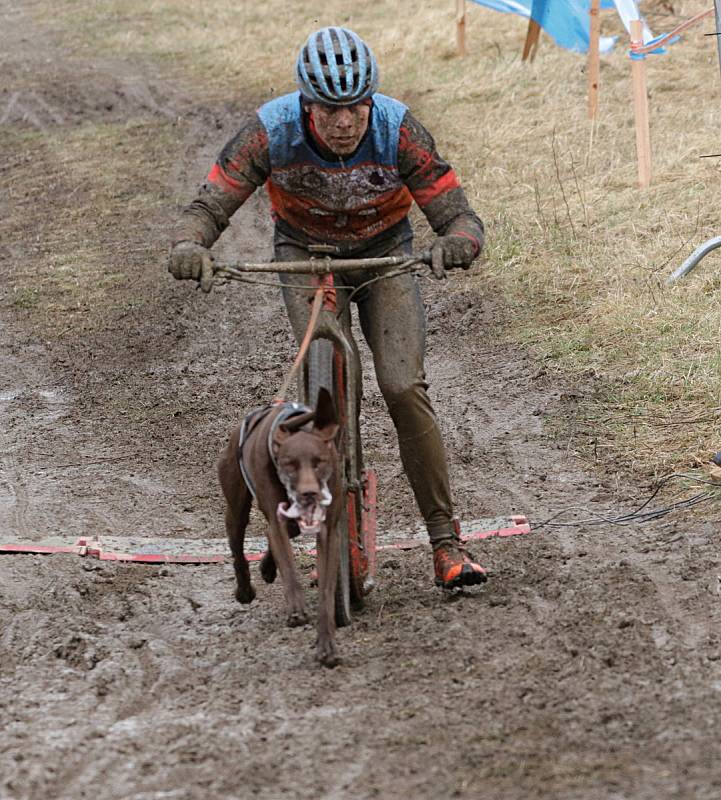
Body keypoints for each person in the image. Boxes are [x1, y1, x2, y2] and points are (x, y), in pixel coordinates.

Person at [168, 26, 487, 589]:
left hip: (385, 255)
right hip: (306, 259)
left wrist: (459, 242)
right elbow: (211, 202)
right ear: (306, 104)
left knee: (402, 386)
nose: (344, 123)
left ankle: (445, 542)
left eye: (355, 110)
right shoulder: (270, 131)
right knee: (334, 389)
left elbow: (459, 215)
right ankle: (320, 528)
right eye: (329, 110)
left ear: (371, 102)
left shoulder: (399, 129)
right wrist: (192, 245)